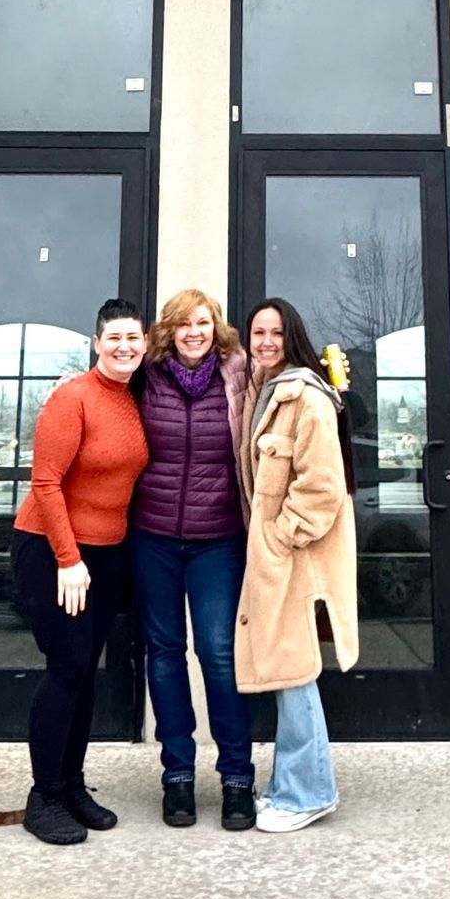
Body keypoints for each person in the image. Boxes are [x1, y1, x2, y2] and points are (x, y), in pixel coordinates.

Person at [10, 298, 150, 847]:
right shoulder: (73, 397)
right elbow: (45, 483)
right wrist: (68, 559)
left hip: (108, 554)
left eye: (133, 338)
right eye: (114, 338)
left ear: (144, 344)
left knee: (85, 672)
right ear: (96, 343)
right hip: (53, 549)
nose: (124, 347)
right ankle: (42, 796)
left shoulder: (133, 397)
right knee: (67, 669)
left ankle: (70, 786)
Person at [130, 287, 257, 830]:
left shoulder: (239, 374)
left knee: (218, 654)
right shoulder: (147, 375)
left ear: (216, 327)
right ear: (169, 330)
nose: (193, 333)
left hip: (218, 541)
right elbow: (102, 388)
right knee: (164, 653)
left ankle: (237, 778)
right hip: (153, 538)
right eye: (183, 323)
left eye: (202, 322)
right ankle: (177, 775)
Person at [237, 298, 359, 831]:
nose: (266, 341)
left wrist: (280, 536)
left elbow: (322, 487)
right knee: (288, 669)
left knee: (295, 671)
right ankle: (291, 785)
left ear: (293, 337)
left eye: (277, 332)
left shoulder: (305, 396)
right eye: (258, 332)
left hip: (297, 558)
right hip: (277, 557)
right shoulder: (264, 390)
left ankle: (309, 792)